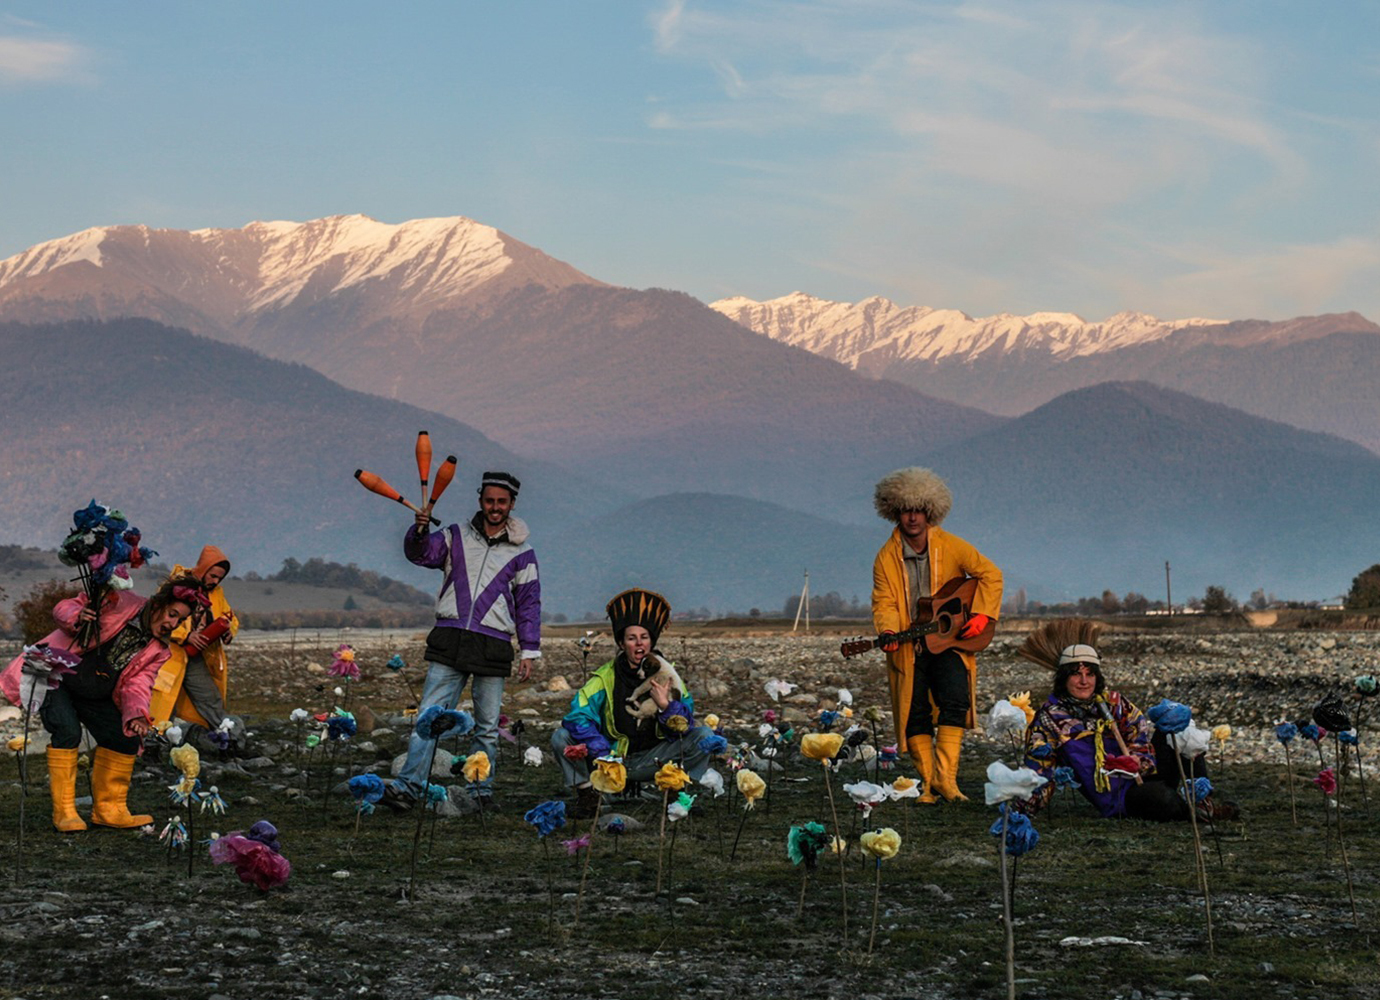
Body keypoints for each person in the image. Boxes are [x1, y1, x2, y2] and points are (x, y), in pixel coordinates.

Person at [381, 471, 541, 813]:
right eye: (489, 501)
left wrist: (529, 650)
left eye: (501, 502)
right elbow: (420, 554)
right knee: (429, 718)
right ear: (480, 500)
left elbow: (528, 604)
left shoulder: (524, 554)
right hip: (449, 639)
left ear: (512, 504)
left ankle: (481, 790)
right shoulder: (454, 536)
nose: (495, 507)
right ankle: (409, 786)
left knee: (486, 727)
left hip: (493, 645)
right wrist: (420, 529)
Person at [1, 577, 199, 831]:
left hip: (94, 692)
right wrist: (79, 615)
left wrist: (138, 715)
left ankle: (109, 810)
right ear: (159, 604)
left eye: (180, 621)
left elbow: (137, 685)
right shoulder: (119, 601)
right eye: (172, 614)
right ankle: (65, 814)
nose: (173, 624)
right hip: (54, 673)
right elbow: (64, 608)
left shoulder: (158, 649)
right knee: (67, 731)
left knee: (124, 738)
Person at [871, 467, 1003, 803]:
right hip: (909, 646)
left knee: (955, 699)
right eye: (906, 510)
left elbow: (990, 575)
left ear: (930, 511)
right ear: (894, 512)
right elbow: (884, 601)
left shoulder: (953, 546)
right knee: (914, 712)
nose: (913, 517)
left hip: (948, 641)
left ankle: (948, 780)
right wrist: (887, 629)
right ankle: (928, 785)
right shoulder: (885, 559)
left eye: (919, 510)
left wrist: (982, 615)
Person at [1021, 644, 1238, 821]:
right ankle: (1194, 814)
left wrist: (1137, 759)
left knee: (1179, 734)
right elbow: (1040, 766)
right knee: (1161, 798)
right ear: (1064, 678)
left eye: (1090, 674)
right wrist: (1025, 805)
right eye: (1076, 675)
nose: (1084, 681)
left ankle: (1203, 803)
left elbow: (1140, 729)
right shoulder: (1049, 718)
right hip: (1118, 795)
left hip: (1142, 773)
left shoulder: (1113, 703)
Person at [553, 588, 715, 819]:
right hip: (609, 759)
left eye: (644, 637)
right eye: (631, 638)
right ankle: (589, 798)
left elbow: (686, 725)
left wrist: (666, 707)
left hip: (654, 760)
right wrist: (605, 756)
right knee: (561, 737)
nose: (639, 644)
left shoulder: (670, 676)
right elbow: (577, 717)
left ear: (651, 641)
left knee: (705, 736)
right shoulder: (604, 678)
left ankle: (676, 793)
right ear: (621, 643)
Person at [148, 545, 242, 750]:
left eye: (219, 578)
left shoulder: (216, 594)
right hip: (169, 655)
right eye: (213, 575)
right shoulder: (175, 586)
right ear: (203, 569)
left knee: (209, 697)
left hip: (196, 656)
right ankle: (152, 744)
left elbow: (229, 617)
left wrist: (228, 631)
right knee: (163, 701)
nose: (215, 581)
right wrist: (185, 635)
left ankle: (226, 739)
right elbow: (156, 617)